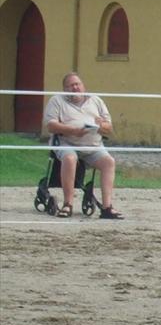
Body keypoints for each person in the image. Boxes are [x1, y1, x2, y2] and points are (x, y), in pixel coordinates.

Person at [41, 72, 123, 219]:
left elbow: (109, 128)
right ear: (64, 89)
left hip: (93, 144)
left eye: (77, 84)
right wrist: (72, 130)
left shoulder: (96, 100)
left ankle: (107, 207)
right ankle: (68, 204)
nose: (75, 88)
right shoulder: (56, 101)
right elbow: (51, 126)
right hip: (67, 142)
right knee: (70, 158)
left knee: (109, 162)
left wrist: (100, 126)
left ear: (83, 86)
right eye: (71, 85)